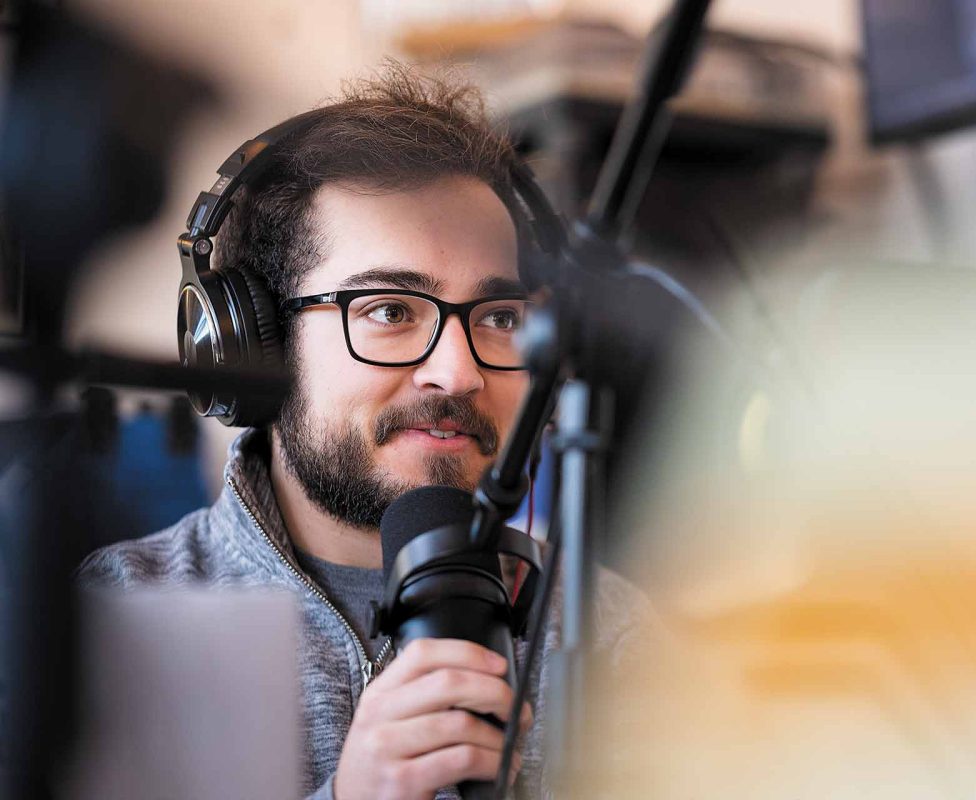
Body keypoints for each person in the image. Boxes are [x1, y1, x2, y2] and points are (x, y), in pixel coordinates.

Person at [76, 64, 657, 800]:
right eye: (389, 310)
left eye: (500, 318)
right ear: (256, 346)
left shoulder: (612, 635)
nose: (458, 373)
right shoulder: (112, 619)